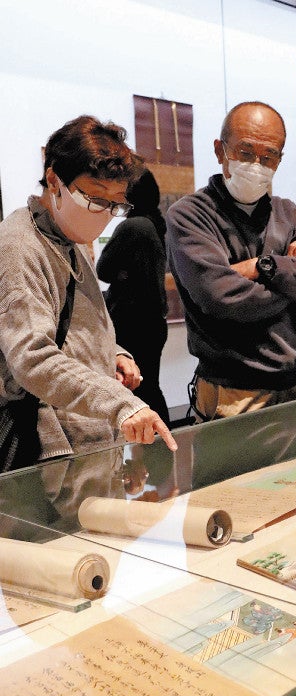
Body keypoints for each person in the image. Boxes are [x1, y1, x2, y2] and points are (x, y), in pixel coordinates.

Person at [0, 115, 177, 466]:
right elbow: (32, 358)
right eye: (95, 199)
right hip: (47, 451)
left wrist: (113, 352)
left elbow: (81, 325)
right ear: (54, 180)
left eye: (115, 205)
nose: (104, 214)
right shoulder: (20, 247)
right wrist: (121, 403)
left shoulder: (71, 237)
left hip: (86, 440)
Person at [166, 101, 296, 420]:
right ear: (220, 151)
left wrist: (264, 267)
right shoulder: (190, 215)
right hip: (233, 392)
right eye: (245, 152)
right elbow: (223, 298)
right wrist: (293, 279)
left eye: (268, 156)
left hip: (295, 383)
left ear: (279, 160)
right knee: (236, 471)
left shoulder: (288, 213)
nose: (256, 165)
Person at [97, 168, 170, 425]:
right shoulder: (154, 224)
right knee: (150, 387)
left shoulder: (133, 225)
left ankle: (154, 452)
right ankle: (157, 454)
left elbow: (102, 269)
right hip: (151, 322)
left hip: (132, 322)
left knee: (140, 390)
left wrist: (122, 274)